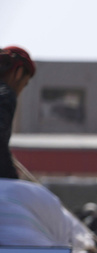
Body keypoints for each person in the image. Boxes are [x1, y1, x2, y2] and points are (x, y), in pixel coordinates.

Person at [0, 46, 34, 181]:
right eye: (24, 84)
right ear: (19, 72)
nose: (20, 90)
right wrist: (11, 177)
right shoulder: (6, 94)